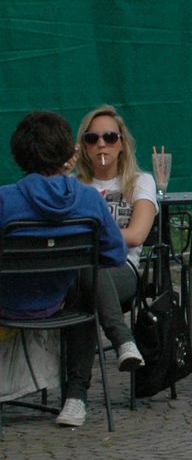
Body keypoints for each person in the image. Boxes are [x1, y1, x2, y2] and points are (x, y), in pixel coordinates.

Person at [0, 110, 134, 427]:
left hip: (6, 305)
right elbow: (114, 255)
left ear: (18, 154)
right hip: (57, 304)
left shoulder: (5, 200)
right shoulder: (89, 200)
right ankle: (77, 397)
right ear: (69, 154)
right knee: (86, 274)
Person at [74, 106, 157, 367]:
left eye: (110, 137)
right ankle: (123, 341)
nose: (101, 144)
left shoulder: (140, 181)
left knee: (87, 279)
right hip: (82, 271)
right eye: (92, 138)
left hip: (123, 267)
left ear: (121, 143)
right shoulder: (75, 185)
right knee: (84, 286)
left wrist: (92, 239)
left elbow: (136, 234)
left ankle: (74, 395)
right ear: (84, 147)